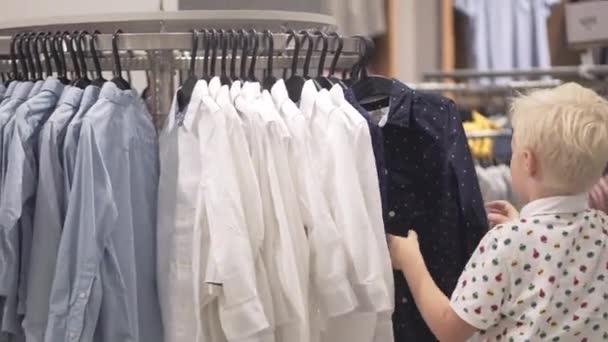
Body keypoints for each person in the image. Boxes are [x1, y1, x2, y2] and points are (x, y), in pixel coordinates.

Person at [388, 83, 608, 342]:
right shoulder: (602, 230)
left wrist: (410, 260)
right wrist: (523, 228)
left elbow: (450, 329)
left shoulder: (506, 242)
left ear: (528, 162)